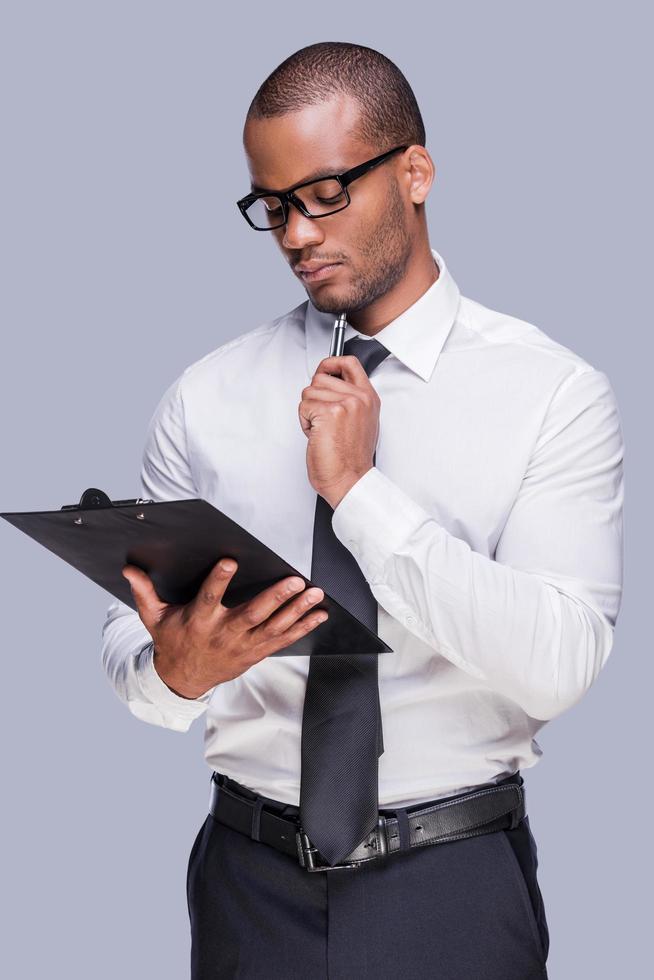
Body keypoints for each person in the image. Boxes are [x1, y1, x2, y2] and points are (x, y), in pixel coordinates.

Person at [101, 41, 624, 979]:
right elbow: (129, 641)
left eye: (326, 193)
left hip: (453, 883)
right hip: (246, 884)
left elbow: (560, 665)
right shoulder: (207, 395)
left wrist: (358, 495)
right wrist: (172, 675)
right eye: (273, 205)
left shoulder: (552, 393)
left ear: (415, 172)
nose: (297, 233)